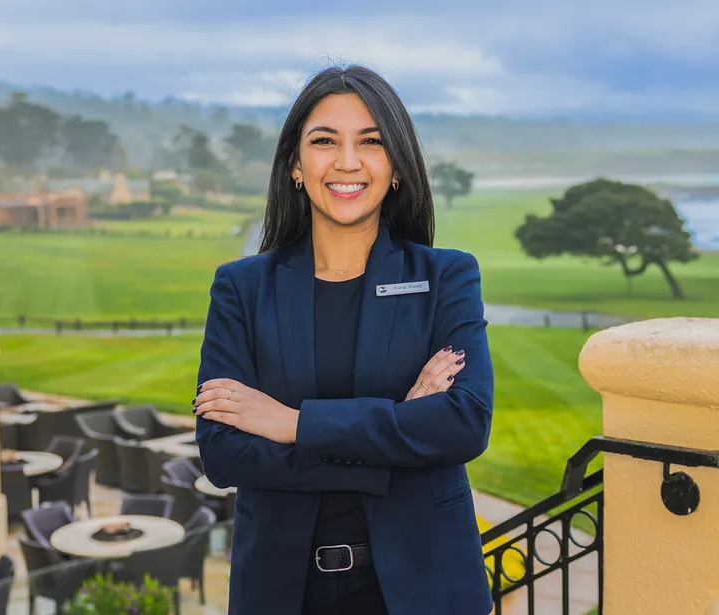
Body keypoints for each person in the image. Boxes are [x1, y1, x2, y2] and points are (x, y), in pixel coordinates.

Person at [193, 64, 494, 615]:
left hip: (425, 587)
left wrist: (292, 424)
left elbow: (463, 424)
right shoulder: (240, 288)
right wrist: (400, 431)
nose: (348, 162)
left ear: (397, 168)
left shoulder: (447, 276)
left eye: (372, 142)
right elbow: (225, 452)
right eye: (325, 141)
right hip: (282, 592)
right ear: (295, 166)